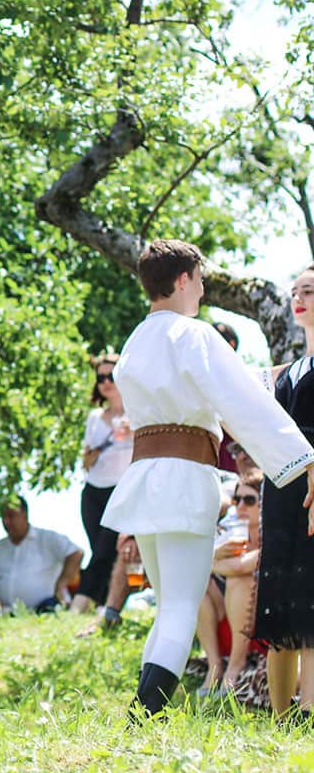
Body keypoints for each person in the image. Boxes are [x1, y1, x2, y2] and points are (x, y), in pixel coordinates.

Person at [100, 239, 314, 719]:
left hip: (145, 478)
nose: (201, 291)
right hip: (182, 478)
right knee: (180, 603)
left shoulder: (135, 343)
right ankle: (145, 713)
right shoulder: (194, 335)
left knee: (169, 605)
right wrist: (305, 459)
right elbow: (244, 401)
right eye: (199, 281)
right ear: (182, 280)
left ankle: (144, 710)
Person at [254, 263, 314, 718]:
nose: (299, 298)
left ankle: (310, 715)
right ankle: (280, 718)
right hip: (280, 489)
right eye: (295, 291)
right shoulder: (283, 372)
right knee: (278, 601)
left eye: (309, 290)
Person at [71, 354, 133, 613]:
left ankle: (82, 602)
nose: (106, 383)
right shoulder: (95, 417)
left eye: (111, 376)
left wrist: (133, 431)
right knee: (99, 549)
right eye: (101, 378)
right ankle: (103, 606)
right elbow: (86, 462)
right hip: (94, 492)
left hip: (123, 490)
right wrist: (98, 449)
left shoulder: (139, 413)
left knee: (109, 551)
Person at [195, 473, 262, 697]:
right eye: (237, 500)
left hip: (259, 635)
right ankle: (215, 665)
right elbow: (192, 567)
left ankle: (236, 667)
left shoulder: (272, 537)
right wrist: (213, 557)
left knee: (239, 580)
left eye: (249, 500)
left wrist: (210, 560)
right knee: (198, 583)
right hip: (226, 629)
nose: (241, 505)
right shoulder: (231, 537)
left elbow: (240, 568)